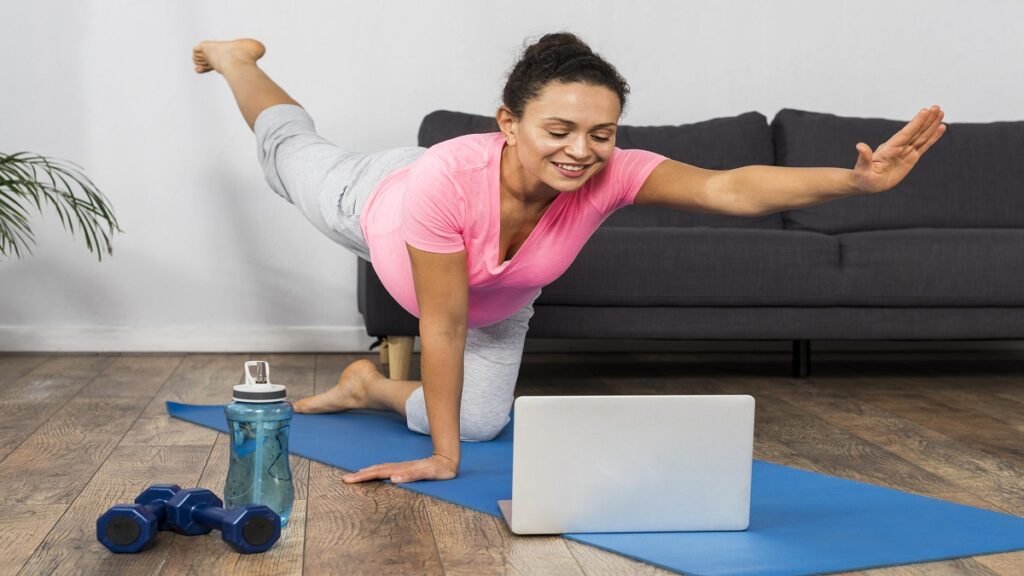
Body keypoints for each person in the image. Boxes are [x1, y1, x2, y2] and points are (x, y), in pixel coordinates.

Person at [193, 32, 946, 485]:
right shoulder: (442, 181)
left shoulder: (608, 174)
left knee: (481, 424)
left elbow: (729, 188)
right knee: (292, 154)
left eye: (603, 133)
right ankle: (234, 60)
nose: (581, 151)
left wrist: (854, 180)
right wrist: (442, 462)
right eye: (558, 129)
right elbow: (442, 327)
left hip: (501, 301)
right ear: (508, 123)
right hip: (380, 201)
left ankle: (367, 384)